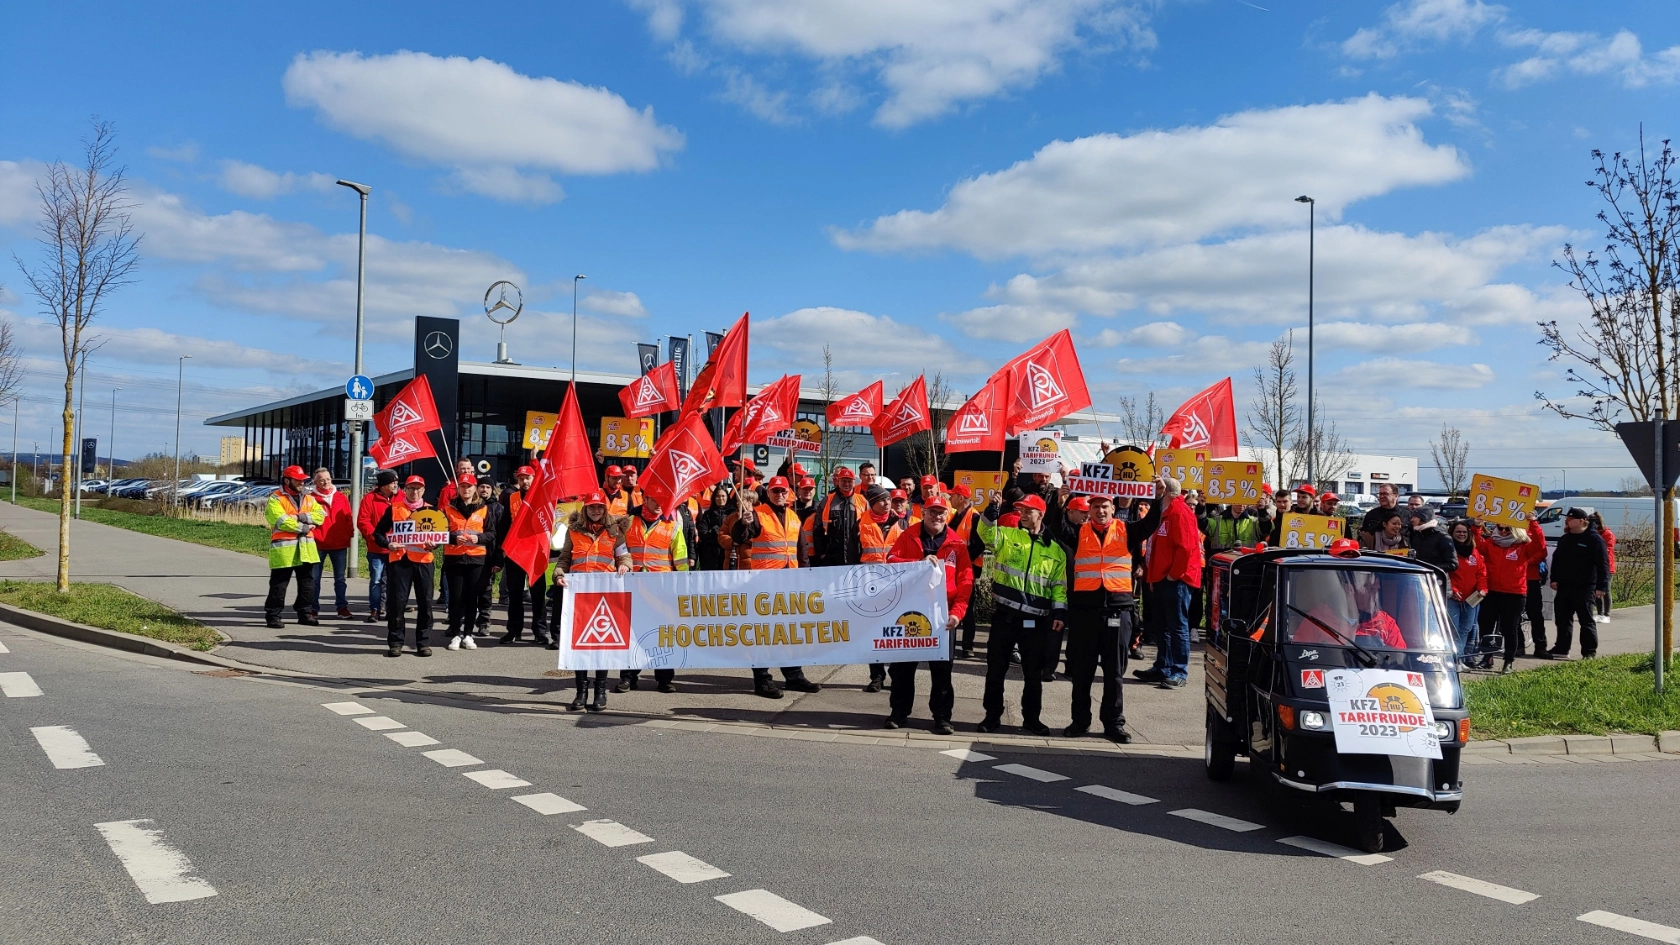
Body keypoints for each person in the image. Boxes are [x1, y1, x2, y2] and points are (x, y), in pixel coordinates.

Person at [1057, 491, 1159, 742]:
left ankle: (1114, 723)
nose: (1100, 511)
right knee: (1083, 671)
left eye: (1104, 507)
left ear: (1112, 509)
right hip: (1085, 611)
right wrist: (1059, 501)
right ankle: (1080, 721)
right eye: (1095, 507)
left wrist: (1157, 496)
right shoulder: (1078, 532)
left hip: (1118, 609)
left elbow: (1151, 523)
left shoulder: (1127, 530)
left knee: (1114, 671)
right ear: (1088, 511)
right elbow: (1056, 527)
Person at [976, 493, 1068, 735]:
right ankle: (991, 716)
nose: (1023, 515)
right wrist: (991, 510)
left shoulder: (1055, 550)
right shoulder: (1008, 535)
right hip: (1004, 616)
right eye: (1021, 510)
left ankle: (1032, 719)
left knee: (1033, 675)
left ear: (1041, 514)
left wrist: (1059, 612)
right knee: (996, 671)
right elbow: (986, 534)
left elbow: (1059, 585)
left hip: (1035, 621)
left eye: (1028, 511)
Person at [883, 493, 972, 735]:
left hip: (943, 617)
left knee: (942, 670)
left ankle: (942, 717)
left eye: (941, 512)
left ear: (948, 514)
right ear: (923, 513)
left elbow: (965, 583)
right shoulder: (908, 535)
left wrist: (957, 614)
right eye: (932, 511)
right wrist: (919, 563)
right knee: (903, 668)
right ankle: (899, 712)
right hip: (910, 612)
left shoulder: (957, 544)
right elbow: (890, 562)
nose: (937, 516)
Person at [733, 476, 822, 698]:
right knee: (763, 633)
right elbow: (741, 536)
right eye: (775, 491)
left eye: (783, 491)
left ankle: (793, 676)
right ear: (769, 493)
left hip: (789, 582)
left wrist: (805, 575)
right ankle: (762, 679)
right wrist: (742, 523)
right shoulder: (757, 513)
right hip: (764, 583)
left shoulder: (793, 516)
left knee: (789, 632)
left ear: (788, 493)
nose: (779, 494)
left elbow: (802, 549)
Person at [555, 491, 630, 711]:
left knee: (601, 645)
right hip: (579, 595)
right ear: (585, 509)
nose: (595, 511)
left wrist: (624, 564)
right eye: (591, 507)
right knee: (580, 646)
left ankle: (600, 692)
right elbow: (565, 558)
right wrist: (559, 574)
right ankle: (581, 692)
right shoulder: (573, 531)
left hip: (605, 595)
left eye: (599, 507)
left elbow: (624, 556)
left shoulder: (615, 531)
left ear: (605, 509)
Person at [1134, 477, 1203, 689]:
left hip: (1176, 580)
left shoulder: (1180, 512)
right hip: (1162, 578)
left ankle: (1179, 671)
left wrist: (1174, 575)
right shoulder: (1165, 513)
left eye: (1157, 490)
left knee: (1177, 627)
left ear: (1166, 492)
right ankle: (1162, 667)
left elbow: (1185, 548)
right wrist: (1154, 577)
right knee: (1162, 625)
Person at [616, 494, 688, 693]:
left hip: (661, 589)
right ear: (645, 499)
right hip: (634, 586)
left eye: (662, 501)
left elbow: (681, 560)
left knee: (663, 634)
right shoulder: (628, 523)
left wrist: (683, 587)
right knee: (633, 634)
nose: (659, 504)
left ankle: (665, 679)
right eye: (655, 499)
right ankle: (628, 677)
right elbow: (617, 550)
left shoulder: (672, 526)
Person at [373, 475, 442, 656]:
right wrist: (388, 544)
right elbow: (378, 533)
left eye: (418, 488)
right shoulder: (394, 509)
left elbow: (441, 536)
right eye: (411, 488)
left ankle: (423, 643)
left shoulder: (432, 510)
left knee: (426, 604)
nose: (415, 492)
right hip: (399, 562)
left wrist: (434, 544)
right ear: (405, 490)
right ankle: (395, 643)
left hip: (423, 562)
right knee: (397, 604)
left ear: (424, 491)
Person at [263, 465, 326, 629]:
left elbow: (320, 516)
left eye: (303, 480)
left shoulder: (309, 497)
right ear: (287, 481)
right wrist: (305, 527)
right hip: (284, 550)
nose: (301, 483)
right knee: (279, 584)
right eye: (298, 480)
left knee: (308, 584)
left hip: (306, 548)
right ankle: (273, 615)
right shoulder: (275, 498)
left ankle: (305, 613)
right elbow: (281, 521)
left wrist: (301, 516)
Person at [441, 473, 496, 650]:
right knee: (456, 598)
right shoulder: (448, 509)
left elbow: (491, 534)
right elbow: (440, 533)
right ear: (458, 489)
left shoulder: (484, 509)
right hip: (454, 558)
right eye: (463, 486)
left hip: (476, 559)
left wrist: (477, 539)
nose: (466, 489)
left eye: (469, 486)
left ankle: (468, 634)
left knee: (472, 598)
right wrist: (453, 538)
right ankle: (456, 634)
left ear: (475, 489)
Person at [499, 465, 551, 645]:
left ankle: (540, 631)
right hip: (515, 551)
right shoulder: (510, 497)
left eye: (528, 478)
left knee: (538, 594)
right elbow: (504, 524)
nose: (525, 481)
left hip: (536, 552)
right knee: (514, 594)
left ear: (534, 478)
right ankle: (513, 630)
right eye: (521, 478)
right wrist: (502, 549)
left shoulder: (543, 496)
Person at [1548, 508, 1610, 659]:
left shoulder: (1594, 539)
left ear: (1582, 521)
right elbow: (1556, 560)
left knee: (1586, 620)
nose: (1567, 521)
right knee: (1562, 619)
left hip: (1585, 587)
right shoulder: (1566, 538)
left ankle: (1589, 652)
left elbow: (1603, 565)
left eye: (1570, 518)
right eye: (1567, 519)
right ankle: (1562, 648)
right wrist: (1554, 578)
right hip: (1564, 586)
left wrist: (1602, 586)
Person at [857, 485, 901, 691]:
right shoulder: (860, 523)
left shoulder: (902, 522)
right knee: (873, 634)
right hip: (870, 586)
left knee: (896, 633)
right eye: (882, 500)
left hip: (896, 586)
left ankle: (896, 676)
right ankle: (877, 676)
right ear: (872, 503)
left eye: (888, 499)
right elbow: (853, 555)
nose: (886, 503)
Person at [1475, 520, 1533, 673]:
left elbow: (1539, 546)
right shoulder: (1491, 543)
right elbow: (1477, 546)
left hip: (1514, 594)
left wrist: (1533, 523)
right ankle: (1487, 658)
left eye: (1508, 529)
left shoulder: (1523, 546)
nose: (1504, 532)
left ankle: (1508, 661)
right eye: (1501, 528)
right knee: (1486, 626)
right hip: (1492, 592)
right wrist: (1476, 527)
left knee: (1509, 629)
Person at [947, 484, 987, 660]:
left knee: (967, 608)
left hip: (967, 569)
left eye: (952, 496)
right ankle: (953, 644)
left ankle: (967, 646)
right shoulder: (955, 516)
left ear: (961, 498)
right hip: (955, 569)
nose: (950, 499)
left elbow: (979, 545)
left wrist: (962, 560)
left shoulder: (974, 517)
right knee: (954, 607)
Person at [308, 468, 353, 619]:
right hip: (318, 544)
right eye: (322, 480)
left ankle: (342, 607)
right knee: (315, 579)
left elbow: (348, 517)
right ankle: (313, 609)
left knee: (340, 579)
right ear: (315, 482)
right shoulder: (310, 499)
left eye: (328, 479)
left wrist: (349, 534)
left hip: (339, 544)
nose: (326, 482)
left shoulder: (341, 497)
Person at [357, 470, 399, 623]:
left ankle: (391, 609)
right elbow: (363, 521)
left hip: (396, 548)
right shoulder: (369, 499)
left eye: (396, 481)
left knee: (393, 580)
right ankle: (375, 609)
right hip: (377, 548)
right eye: (392, 482)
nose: (396, 484)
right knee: (376, 580)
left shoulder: (400, 498)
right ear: (383, 485)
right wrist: (376, 538)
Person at [1446, 520, 1487, 668]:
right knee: (1453, 631)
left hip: (1471, 599)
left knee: (1465, 630)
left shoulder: (1474, 552)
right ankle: (1451, 660)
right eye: (1458, 531)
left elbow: (1481, 573)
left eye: (1464, 532)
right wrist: (1453, 591)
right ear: (1452, 533)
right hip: (1452, 598)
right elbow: (1446, 574)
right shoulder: (1447, 550)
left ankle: (1458, 659)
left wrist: (1482, 589)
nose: (1461, 534)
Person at [472, 478, 506, 638]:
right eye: (481, 487)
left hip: (489, 555)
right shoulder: (471, 506)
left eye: (487, 487)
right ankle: (463, 622)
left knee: (485, 590)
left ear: (493, 490)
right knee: (469, 590)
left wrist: (499, 559)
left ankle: (484, 622)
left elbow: (501, 536)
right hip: (470, 555)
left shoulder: (499, 509)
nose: (484, 490)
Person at [1523, 510, 1550, 656]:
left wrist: (1526, 563)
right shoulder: (1505, 528)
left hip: (1531, 579)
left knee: (1536, 615)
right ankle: (1518, 646)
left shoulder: (1533, 528)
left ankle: (1540, 647)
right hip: (1511, 581)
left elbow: (1542, 550)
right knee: (1512, 616)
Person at [695, 483, 734, 571]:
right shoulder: (708, 514)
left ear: (727, 497)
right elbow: (702, 533)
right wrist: (715, 532)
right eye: (718, 496)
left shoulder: (733, 514)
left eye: (723, 496)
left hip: (727, 553)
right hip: (710, 555)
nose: (721, 499)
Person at [1407, 506, 1457, 573]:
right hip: (1418, 578)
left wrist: (1428, 569)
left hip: (1436, 581)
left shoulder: (1443, 537)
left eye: (1415, 517)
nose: (1411, 520)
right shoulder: (1416, 534)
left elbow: (1453, 564)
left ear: (1423, 519)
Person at [1590, 512, 1616, 620]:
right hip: (1595, 566)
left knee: (1606, 590)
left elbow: (1608, 550)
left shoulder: (1607, 533)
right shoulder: (1593, 534)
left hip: (1607, 566)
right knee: (1596, 590)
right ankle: (1599, 613)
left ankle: (1606, 613)